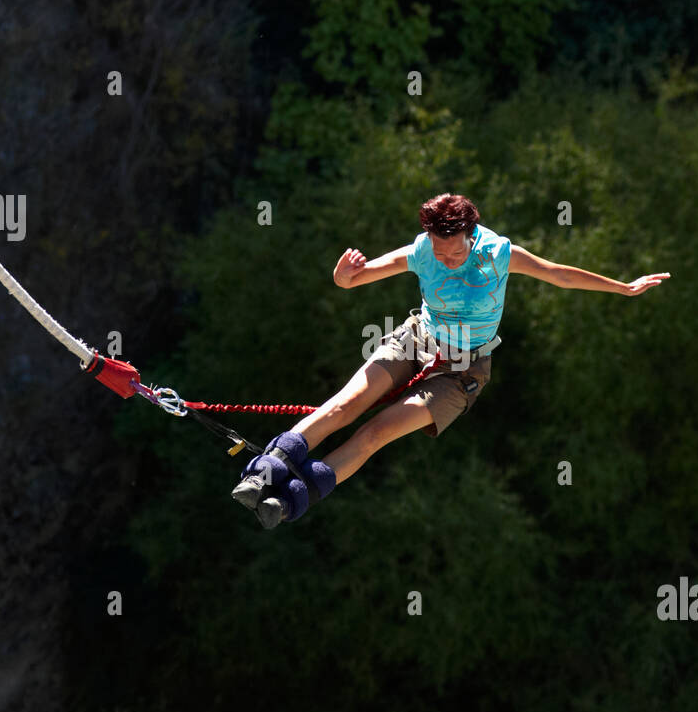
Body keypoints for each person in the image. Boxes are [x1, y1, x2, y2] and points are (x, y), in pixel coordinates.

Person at [231, 192, 670, 528]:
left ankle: (287, 503)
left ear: (471, 234)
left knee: (374, 433)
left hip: (462, 371)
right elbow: (355, 280)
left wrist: (623, 287)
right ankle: (263, 472)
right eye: (440, 253)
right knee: (345, 404)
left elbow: (558, 274)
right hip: (417, 339)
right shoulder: (423, 250)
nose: (446, 259)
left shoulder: (499, 254)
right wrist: (342, 275)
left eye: (455, 252)